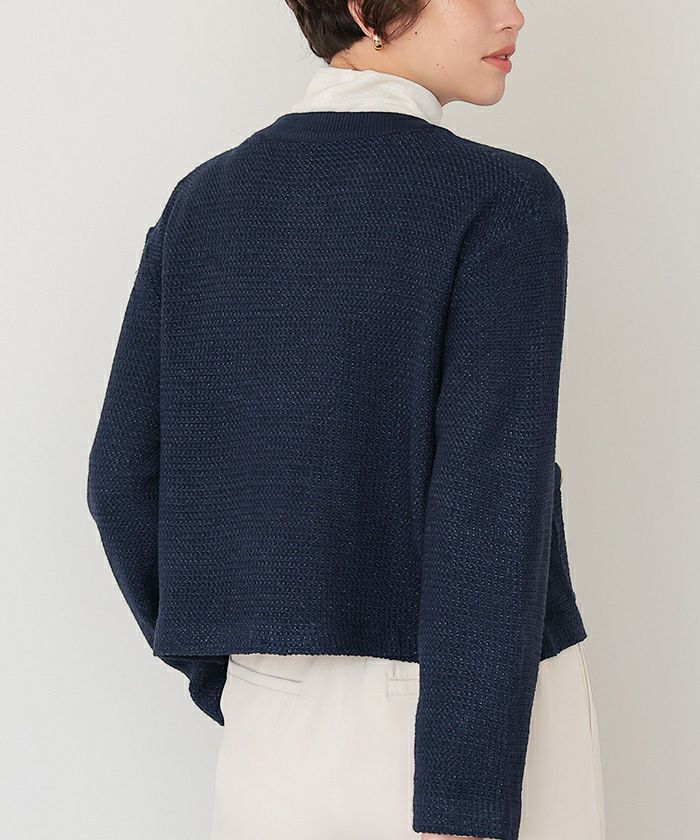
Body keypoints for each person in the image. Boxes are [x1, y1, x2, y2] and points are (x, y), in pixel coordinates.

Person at [86, 2, 605, 839]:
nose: (512, 14)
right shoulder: (501, 198)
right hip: (467, 717)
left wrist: (234, 669)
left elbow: (121, 479)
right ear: (367, 8)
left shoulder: (203, 199)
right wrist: (464, 800)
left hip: (271, 718)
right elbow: (488, 501)